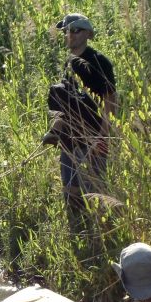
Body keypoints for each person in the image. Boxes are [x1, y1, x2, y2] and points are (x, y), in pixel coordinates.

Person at [44, 13, 117, 232]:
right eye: (67, 31)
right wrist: (55, 129)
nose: (70, 35)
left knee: (95, 194)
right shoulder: (69, 62)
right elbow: (65, 101)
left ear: (88, 34)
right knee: (70, 192)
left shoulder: (98, 62)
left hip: (93, 138)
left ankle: (98, 240)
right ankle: (76, 236)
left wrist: (102, 138)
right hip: (69, 140)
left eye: (76, 30)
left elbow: (110, 100)